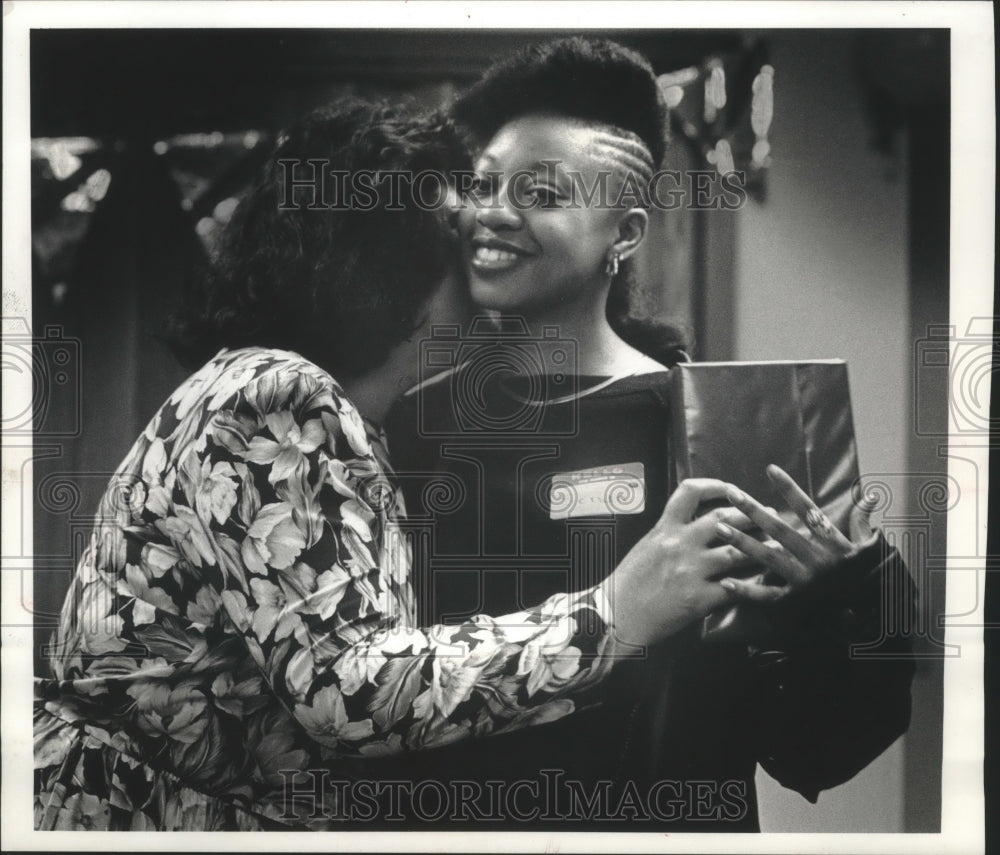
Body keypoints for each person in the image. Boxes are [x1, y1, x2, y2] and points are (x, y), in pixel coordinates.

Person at [33, 98, 767, 831]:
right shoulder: (278, 397)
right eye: (457, 224)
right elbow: (348, 692)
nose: (486, 234)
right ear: (386, 260)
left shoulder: (340, 416)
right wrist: (614, 612)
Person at [384, 37, 917, 830]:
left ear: (626, 233)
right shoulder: (405, 430)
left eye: (539, 191)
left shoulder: (718, 432)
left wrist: (856, 595)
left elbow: (815, 753)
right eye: (485, 184)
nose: (492, 211)